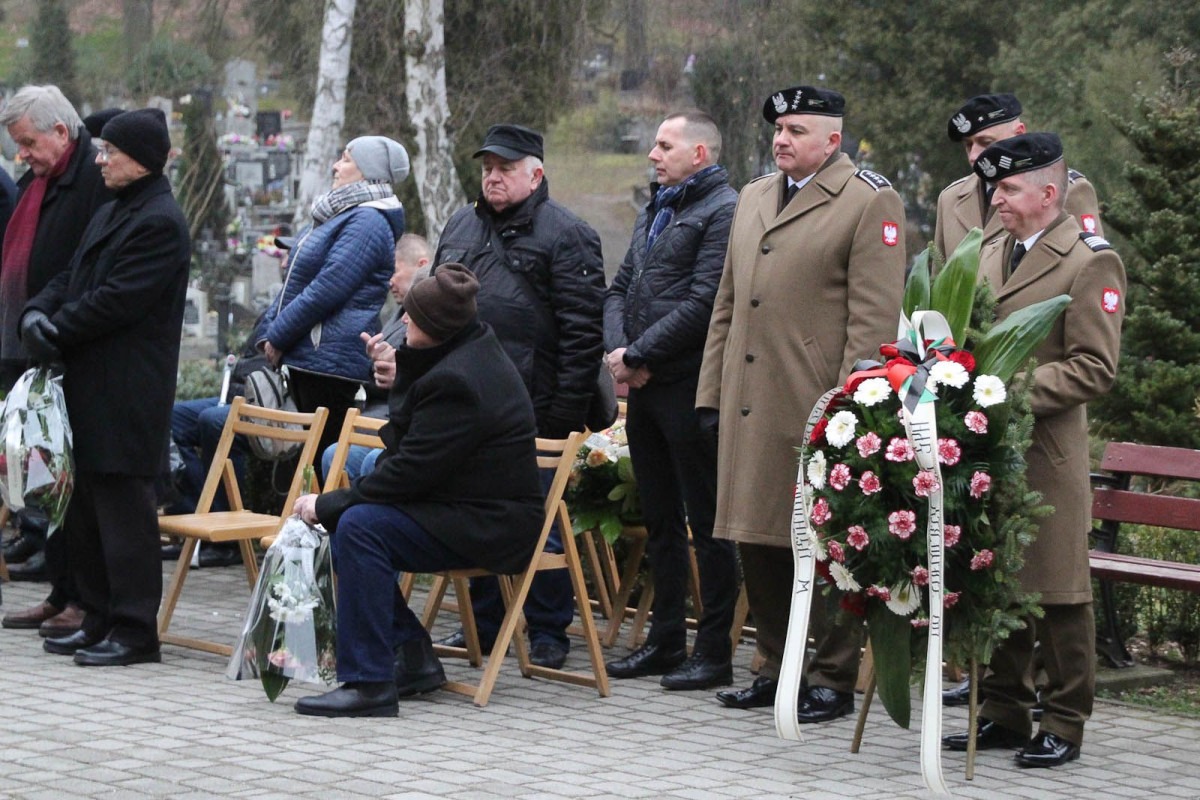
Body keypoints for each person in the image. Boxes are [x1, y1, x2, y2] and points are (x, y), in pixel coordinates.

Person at [697, 85, 907, 719]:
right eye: (778, 129)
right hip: (748, 401)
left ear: (832, 141)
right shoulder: (756, 195)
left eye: (795, 129)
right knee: (754, 538)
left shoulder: (869, 201)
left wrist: (849, 412)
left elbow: (873, 322)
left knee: (829, 545)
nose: (781, 139)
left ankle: (831, 677)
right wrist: (711, 390)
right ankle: (772, 664)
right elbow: (727, 304)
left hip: (816, 404)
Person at [941, 133, 1124, 768]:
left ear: (1049, 193)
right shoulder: (992, 248)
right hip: (989, 451)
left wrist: (1001, 387)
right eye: (994, 188)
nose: (996, 199)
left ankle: (1066, 721)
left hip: (1046, 451)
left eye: (1010, 189)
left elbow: (1093, 370)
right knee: (999, 580)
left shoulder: (1089, 260)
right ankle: (1004, 710)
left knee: (1058, 592)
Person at [291, 264, 544, 717]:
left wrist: (326, 504)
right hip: (465, 506)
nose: (403, 321)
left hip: (492, 523)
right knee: (358, 523)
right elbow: (409, 452)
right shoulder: (460, 354)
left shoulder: (461, 379)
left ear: (439, 327)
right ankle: (410, 655)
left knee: (361, 526)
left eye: (413, 316)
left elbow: (408, 473)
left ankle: (369, 683)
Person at [432, 124, 605, 670]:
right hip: (464, 404)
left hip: (536, 407)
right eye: (487, 168)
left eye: (505, 169)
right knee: (470, 513)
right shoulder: (461, 222)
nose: (492, 177)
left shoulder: (567, 234)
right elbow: (434, 305)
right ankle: (482, 623)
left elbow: (583, 335)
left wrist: (560, 420)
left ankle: (550, 629)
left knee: (540, 522)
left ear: (536, 173)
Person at [22, 108, 190, 666]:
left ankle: (135, 630)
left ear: (138, 160)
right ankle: (97, 616)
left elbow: (117, 300)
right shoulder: (116, 208)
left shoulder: (159, 221)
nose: (100, 160)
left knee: (125, 515)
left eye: (109, 152)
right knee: (88, 508)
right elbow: (73, 275)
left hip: (127, 390)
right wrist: (37, 311)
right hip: (92, 385)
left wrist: (55, 329)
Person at [602, 112, 739, 690]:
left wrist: (638, 355)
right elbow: (620, 287)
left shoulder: (723, 210)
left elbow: (706, 300)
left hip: (688, 387)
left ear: (699, 153)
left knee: (705, 522)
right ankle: (664, 642)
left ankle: (712, 652)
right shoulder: (656, 207)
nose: (653, 155)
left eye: (665, 145)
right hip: (644, 386)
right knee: (658, 518)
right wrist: (618, 352)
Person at [0, 85, 111, 637]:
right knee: (46, 478)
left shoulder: (89, 178)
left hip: (64, 351)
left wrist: (50, 319)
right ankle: (60, 590)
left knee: (71, 484)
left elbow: (82, 266)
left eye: (27, 142)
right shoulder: (42, 179)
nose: (21, 154)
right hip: (32, 344)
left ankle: (83, 599)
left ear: (60, 133)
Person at [258, 135, 408, 460]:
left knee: (319, 460)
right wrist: (269, 331)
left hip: (328, 361)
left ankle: (317, 512)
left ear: (369, 172)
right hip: (312, 356)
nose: (335, 166)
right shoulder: (342, 214)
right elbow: (297, 280)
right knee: (307, 460)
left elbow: (326, 288)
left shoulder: (368, 220)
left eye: (346, 159)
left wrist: (278, 336)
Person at [934, 93, 1103, 260]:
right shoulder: (950, 199)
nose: (973, 156)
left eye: (986, 143)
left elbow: (1089, 264)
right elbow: (937, 279)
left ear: (1019, 133)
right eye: (968, 145)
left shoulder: (1065, 190)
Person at [321, 233, 431, 482]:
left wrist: (398, 372)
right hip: (377, 417)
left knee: (357, 459)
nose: (389, 282)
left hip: (400, 423)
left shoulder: (432, 318)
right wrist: (376, 359)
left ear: (422, 265)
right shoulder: (397, 314)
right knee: (334, 455)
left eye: (395, 272)